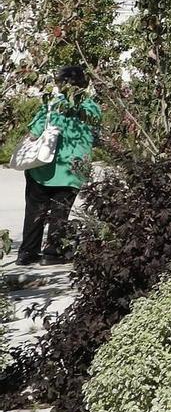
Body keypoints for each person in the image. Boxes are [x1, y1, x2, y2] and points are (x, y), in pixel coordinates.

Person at [17, 65, 99, 266]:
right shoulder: (91, 107)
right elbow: (95, 137)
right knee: (60, 212)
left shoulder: (50, 105)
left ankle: (27, 253)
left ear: (60, 84)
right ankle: (52, 253)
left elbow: (35, 133)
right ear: (84, 84)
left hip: (43, 168)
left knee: (35, 210)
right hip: (74, 169)